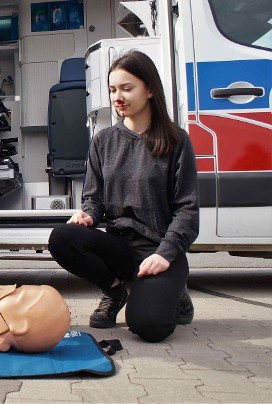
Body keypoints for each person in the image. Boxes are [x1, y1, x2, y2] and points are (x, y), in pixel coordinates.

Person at [48, 50, 199, 343]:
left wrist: (166, 254)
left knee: (149, 326)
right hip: (119, 246)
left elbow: (187, 210)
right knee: (62, 237)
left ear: (150, 89)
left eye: (127, 88)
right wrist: (88, 214)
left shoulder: (176, 140)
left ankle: (174, 291)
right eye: (113, 89)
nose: (118, 96)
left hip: (157, 249)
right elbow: (94, 199)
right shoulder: (103, 141)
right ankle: (115, 291)